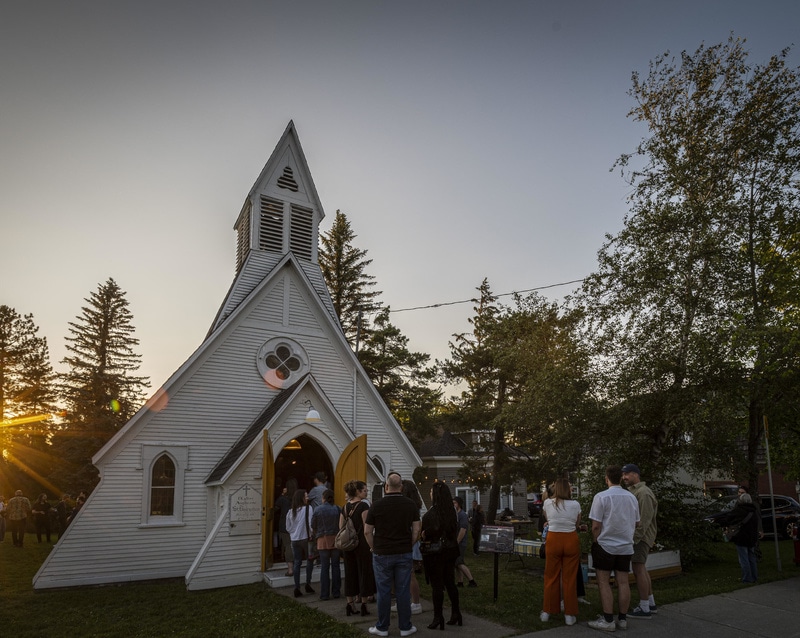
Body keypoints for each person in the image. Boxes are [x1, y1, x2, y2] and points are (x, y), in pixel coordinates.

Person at [364, 472, 421, 638]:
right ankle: (405, 626)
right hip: (403, 552)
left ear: (386, 487)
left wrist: (374, 547)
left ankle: (382, 627)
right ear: (401, 487)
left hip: (382, 553)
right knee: (403, 591)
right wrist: (408, 544)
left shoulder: (376, 505)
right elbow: (416, 530)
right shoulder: (410, 505)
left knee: (384, 591)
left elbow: (368, 531)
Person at [587, 465, 639, 633]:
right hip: (625, 546)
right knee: (623, 582)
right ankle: (622, 619)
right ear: (621, 478)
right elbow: (637, 522)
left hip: (606, 545)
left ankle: (608, 619)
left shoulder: (601, 497)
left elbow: (595, 526)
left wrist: (596, 541)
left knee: (604, 582)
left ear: (607, 478)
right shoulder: (631, 497)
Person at [540, 478, 582, 626]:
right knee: (569, 578)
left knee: (551, 575)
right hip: (570, 539)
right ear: (568, 490)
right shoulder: (576, 504)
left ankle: (547, 611)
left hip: (554, 539)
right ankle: (569, 615)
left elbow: (548, 520)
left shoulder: (547, 503)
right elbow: (577, 524)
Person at [421, 481, 462, 630]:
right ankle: (456, 612)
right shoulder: (452, 511)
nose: (430, 495)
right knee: (450, 582)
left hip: (436, 553)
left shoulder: (431, 514)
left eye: (431, 493)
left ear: (436, 495)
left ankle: (438, 617)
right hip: (450, 551)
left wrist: (425, 533)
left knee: (437, 586)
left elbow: (429, 532)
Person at [622, 463, 658, 618]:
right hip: (640, 537)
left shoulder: (643, 493)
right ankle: (650, 602)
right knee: (641, 569)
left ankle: (644, 608)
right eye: (623, 474)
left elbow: (644, 520)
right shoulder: (635, 492)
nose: (624, 477)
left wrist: (634, 539)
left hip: (641, 538)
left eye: (627, 474)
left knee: (638, 569)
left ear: (636, 474)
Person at [341, 480, 375, 617]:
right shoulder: (363, 507)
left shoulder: (344, 508)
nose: (366, 492)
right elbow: (367, 529)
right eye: (364, 490)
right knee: (364, 572)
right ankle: (364, 604)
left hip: (348, 545)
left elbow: (341, 527)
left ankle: (350, 604)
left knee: (349, 573)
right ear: (357, 492)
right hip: (361, 544)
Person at [717, 492, 759, 583]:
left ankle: (747, 578)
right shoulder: (753, 511)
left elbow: (728, 520)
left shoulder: (739, 510)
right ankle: (754, 577)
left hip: (741, 537)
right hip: (752, 537)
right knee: (752, 558)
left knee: (744, 559)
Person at [398, 479, 423, 615]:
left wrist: (410, 543)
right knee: (403, 575)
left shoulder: (410, 506)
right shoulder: (414, 505)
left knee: (410, 574)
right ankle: (405, 601)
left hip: (409, 542)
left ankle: (416, 603)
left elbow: (416, 528)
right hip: (408, 542)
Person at [311, 489, 342, 600]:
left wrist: (317, 533)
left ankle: (324, 594)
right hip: (335, 539)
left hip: (322, 540)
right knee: (336, 566)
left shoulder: (318, 509)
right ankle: (336, 592)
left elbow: (313, 524)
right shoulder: (338, 509)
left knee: (324, 567)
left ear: (323, 498)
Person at [285, 488, 315, 598]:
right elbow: (311, 524)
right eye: (306, 496)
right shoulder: (308, 508)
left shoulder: (290, 512)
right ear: (302, 498)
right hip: (307, 539)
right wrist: (312, 533)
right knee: (310, 560)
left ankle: (297, 587)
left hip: (294, 540)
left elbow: (288, 527)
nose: (308, 498)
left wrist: (294, 533)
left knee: (297, 562)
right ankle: (307, 583)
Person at [452, 496, 477, 587]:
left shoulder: (462, 515)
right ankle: (460, 582)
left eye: (454, 503)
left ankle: (471, 581)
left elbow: (463, 530)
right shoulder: (455, 514)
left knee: (459, 562)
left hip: (460, 543)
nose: (453, 504)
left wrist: (456, 542)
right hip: (456, 542)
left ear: (459, 504)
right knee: (457, 563)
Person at [274, 485, 294, 576]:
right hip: (295, 526)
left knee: (287, 545)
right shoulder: (296, 499)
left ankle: (290, 569)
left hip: (284, 525)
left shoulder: (282, 499)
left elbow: (275, 508)